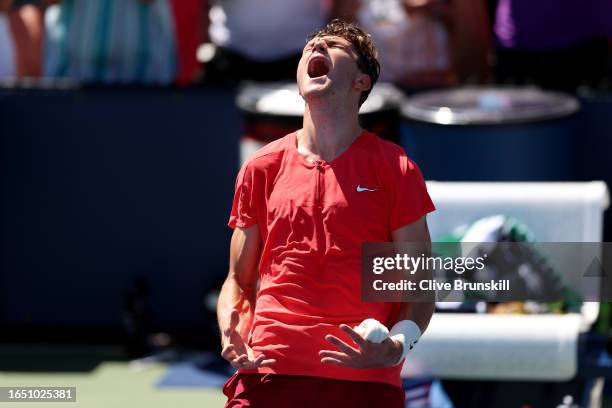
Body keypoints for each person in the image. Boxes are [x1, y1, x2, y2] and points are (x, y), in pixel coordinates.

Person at [217, 19, 436, 407]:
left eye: (332, 45)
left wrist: (398, 345)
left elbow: (418, 286)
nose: (315, 49)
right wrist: (230, 330)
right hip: (269, 373)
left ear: (361, 82)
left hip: (364, 381)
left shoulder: (396, 169)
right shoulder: (260, 167)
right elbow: (238, 279)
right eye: (310, 47)